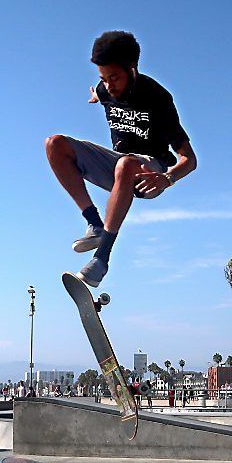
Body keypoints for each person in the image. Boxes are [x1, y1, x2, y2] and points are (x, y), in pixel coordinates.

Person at [45, 30, 197, 287]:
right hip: (117, 165)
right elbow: (102, 93)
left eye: (115, 77)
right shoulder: (106, 90)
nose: (109, 84)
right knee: (55, 144)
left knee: (126, 163)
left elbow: (189, 159)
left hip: (150, 172)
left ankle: (102, 258)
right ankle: (94, 223)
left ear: (133, 69)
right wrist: (97, 95)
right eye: (103, 78)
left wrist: (167, 179)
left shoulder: (158, 98)